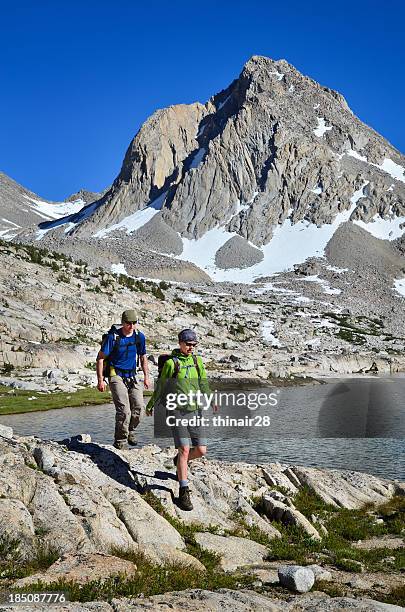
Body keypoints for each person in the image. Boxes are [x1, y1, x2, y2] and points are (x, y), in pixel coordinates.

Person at [146, 328, 209, 511]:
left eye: (194, 345)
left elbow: (203, 382)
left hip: (195, 410)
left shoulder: (197, 361)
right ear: (180, 342)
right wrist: (151, 405)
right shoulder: (171, 364)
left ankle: (178, 462)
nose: (191, 348)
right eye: (188, 344)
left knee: (201, 450)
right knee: (185, 449)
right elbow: (161, 387)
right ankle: (183, 490)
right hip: (176, 411)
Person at [96, 309, 150, 449]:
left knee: (139, 407)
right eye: (128, 323)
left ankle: (131, 431)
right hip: (116, 374)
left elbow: (143, 357)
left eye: (134, 323)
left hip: (132, 375)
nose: (131, 326)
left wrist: (146, 377)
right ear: (122, 322)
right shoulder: (113, 337)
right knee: (124, 410)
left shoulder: (139, 337)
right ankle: (120, 441)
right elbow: (101, 358)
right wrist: (101, 380)